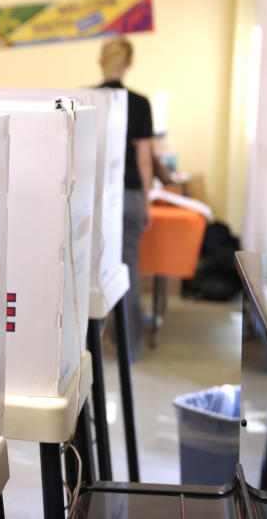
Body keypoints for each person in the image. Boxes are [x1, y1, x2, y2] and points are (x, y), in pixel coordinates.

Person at [97, 35, 154, 362]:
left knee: (91, 272)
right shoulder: (140, 103)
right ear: (128, 64)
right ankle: (129, 350)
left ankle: (89, 345)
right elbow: (144, 159)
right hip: (129, 196)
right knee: (128, 269)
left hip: (96, 198)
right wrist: (146, 202)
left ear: (100, 62)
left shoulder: (87, 97)